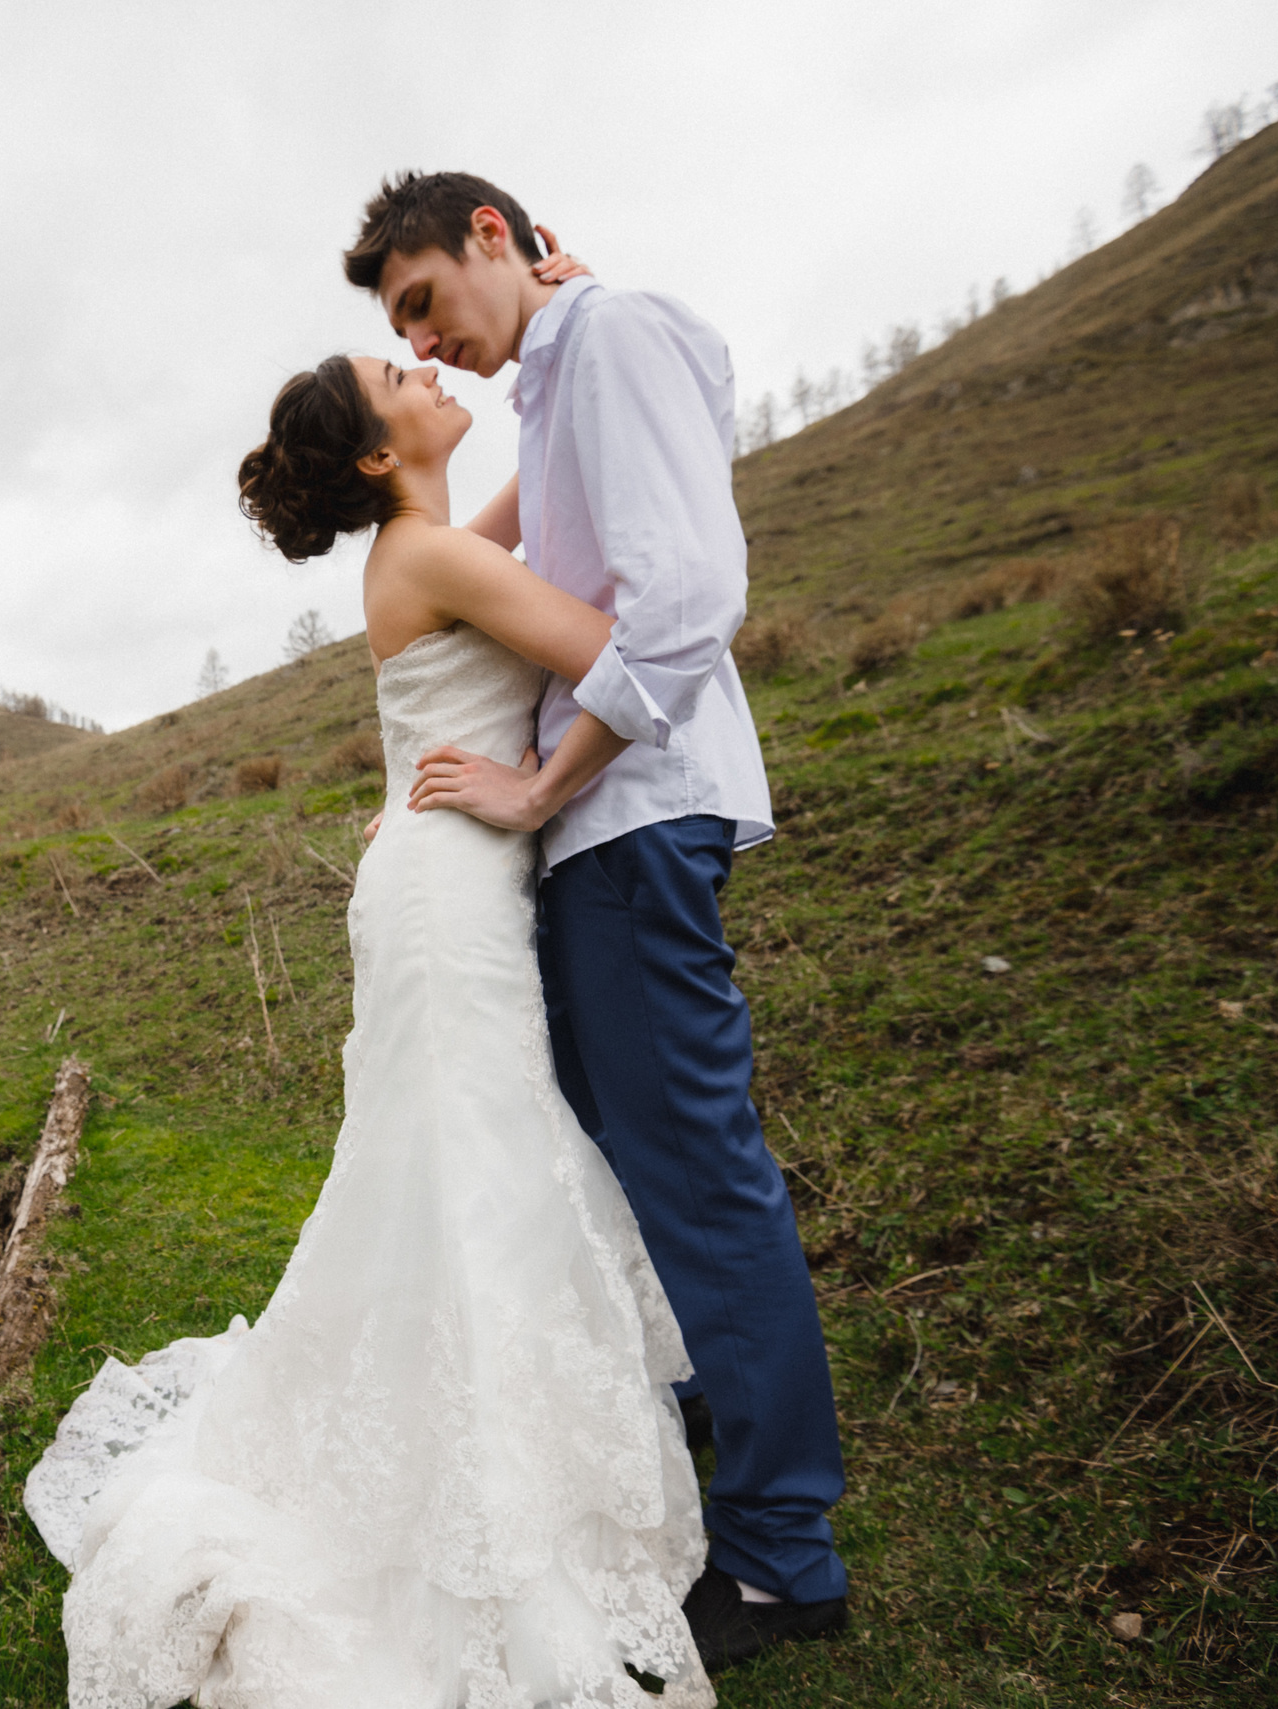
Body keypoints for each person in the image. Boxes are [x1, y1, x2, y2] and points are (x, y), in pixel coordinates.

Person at [20, 343, 717, 1707]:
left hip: (437, 884)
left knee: (460, 1160)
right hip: (449, 894)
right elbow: (609, 653)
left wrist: (566, 360)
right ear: (382, 454)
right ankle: (475, 1480)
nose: (428, 368)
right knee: (470, 1164)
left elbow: (532, 498)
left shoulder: (428, 543)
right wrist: (536, 786)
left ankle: (474, 1440)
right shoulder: (431, 553)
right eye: (400, 373)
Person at [347, 171, 850, 1669]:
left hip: (628, 814)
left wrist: (541, 781)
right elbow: (659, 454)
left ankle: (781, 1555)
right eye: (398, 333)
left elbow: (686, 598)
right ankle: (693, 1447)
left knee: (694, 1170)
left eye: (422, 300)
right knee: (632, 1159)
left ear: (490, 236)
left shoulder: (609, 335)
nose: (424, 342)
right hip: (601, 830)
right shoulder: (571, 361)